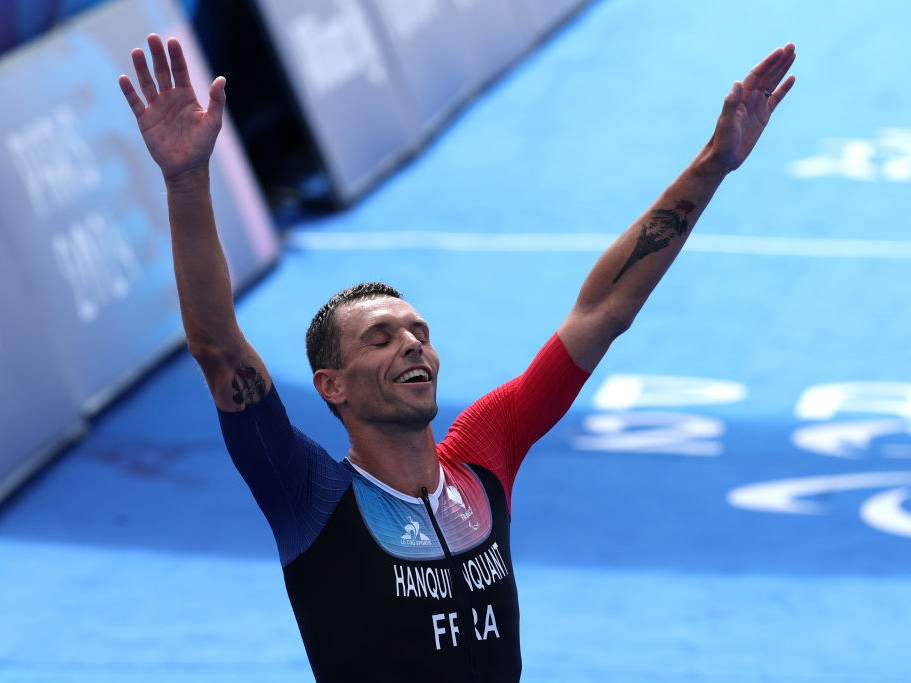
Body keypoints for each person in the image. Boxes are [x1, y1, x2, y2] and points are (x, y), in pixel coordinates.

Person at [119, 34, 796, 682]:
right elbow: (217, 347)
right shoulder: (307, 494)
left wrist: (711, 163)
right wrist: (186, 181)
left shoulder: (482, 452)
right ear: (331, 386)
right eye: (379, 338)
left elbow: (600, 313)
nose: (411, 343)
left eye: (417, 330)